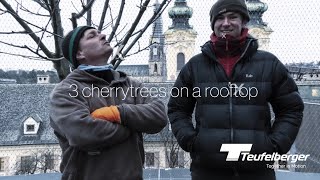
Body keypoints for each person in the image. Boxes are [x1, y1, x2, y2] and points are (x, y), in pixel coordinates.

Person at [167, 0, 304, 179]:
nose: (226, 23)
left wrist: (273, 145)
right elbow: (177, 108)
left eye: (233, 17)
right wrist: (193, 142)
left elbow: (291, 108)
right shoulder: (195, 66)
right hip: (208, 170)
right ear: (213, 24)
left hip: (256, 171)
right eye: (220, 18)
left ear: (244, 22)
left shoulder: (269, 63)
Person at [50, 26, 167, 180]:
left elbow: (159, 116)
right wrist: (133, 126)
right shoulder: (66, 91)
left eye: (100, 32)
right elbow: (84, 133)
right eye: (92, 35)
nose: (103, 35)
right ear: (79, 53)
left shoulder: (131, 84)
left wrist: (117, 113)